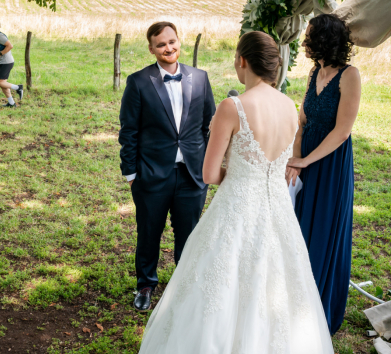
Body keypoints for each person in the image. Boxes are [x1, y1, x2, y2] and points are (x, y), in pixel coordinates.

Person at [137, 32, 334, 353]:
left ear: (242, 61)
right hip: (278, 212)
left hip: (237, 209)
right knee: (282, 280)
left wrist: (241, 172)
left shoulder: (233, 106)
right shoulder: (288, 106)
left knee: (217, 284)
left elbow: (209, 173)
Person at [118, 21, 216, 311]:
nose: (168, 48)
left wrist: (206, 168)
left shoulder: (200, 78)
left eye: (172, 42)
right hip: (151, 175)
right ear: (151, 49)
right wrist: (132, 175)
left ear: (179, 42)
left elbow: (208, 126)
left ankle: (183, 288)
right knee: (149, 232)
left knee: (189, 234)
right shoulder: (138, 82)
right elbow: (129, 131)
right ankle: (145, 285)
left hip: (191, 175)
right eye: (161, 44)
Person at [286, 14, 361, 335]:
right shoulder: (314, 72)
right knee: (301, 226)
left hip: (331, 163)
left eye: (310, 35)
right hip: (307, 159)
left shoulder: (350, 76)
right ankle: (294, 302)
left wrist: (307, 161)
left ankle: (319, 308)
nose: (305, 40)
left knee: (325, 227)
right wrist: (295, 157)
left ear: (324, 39)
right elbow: (302, 121)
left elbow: (342, 131)